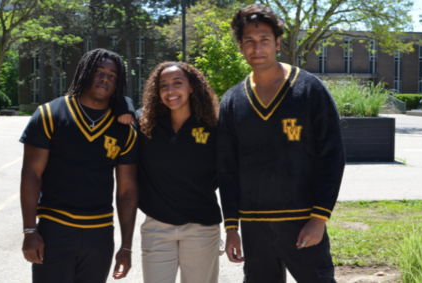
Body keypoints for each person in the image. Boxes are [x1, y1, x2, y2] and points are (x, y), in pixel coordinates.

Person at [218, 4, 346, 283]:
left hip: (303, 224)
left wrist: (319, 218)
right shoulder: (232, 101)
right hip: (255, 228)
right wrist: (231, 228)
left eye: (264, 39)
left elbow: (332, 156)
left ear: (277, 43)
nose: (257, 47)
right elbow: (227, 169)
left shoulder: (309, 89)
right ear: (240, 46)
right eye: (249, 41)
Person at [19, 48, 139, 283]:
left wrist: (126, 246)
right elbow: (32, 174)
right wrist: (30, 230)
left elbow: (126, 190)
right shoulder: (49, 114)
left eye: (113, 76)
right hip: (55, 230)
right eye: (99, 71)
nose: (105, 78)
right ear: (85, 72)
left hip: (100, 234)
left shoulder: (124, 129)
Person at [136, 62, 222, 283]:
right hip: (157, 227)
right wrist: (122, 109)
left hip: (201, 227)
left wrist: (233, 227)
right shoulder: (145, 124)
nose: (170, 91)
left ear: (192, 86)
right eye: (163, 85)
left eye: (177, 83)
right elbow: (118, 107)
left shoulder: (214, 126)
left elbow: (230, 177)